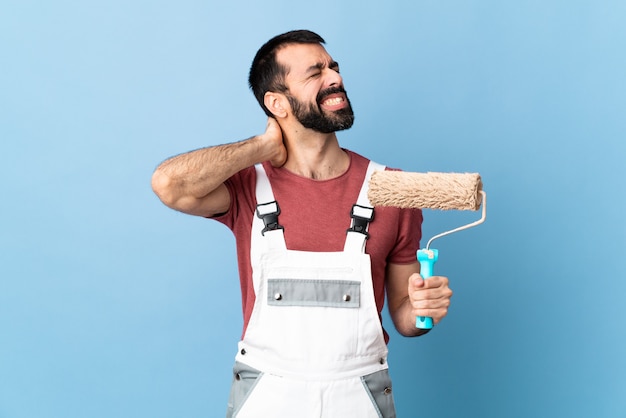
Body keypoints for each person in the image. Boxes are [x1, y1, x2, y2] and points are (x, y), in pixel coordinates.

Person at [151, 29, 452, 418]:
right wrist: (261, 148)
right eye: (315, 73)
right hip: (266, 394)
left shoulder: (390, 189)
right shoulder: (248, 187)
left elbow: (406, 315)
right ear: (277, 102)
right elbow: (168, 184)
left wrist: (423, 310)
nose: (334, 78)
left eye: (334, 67)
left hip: (360, 395)